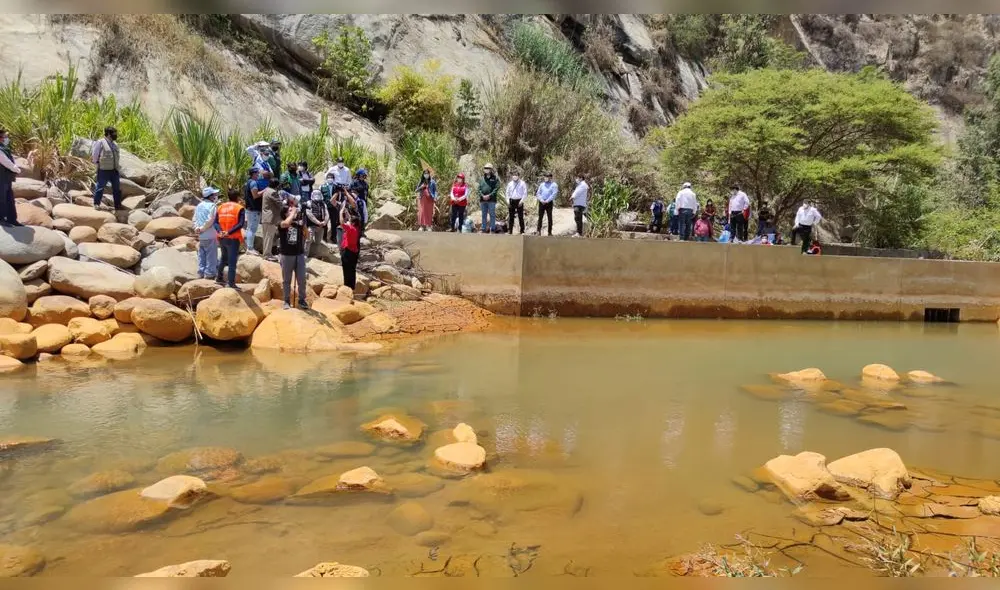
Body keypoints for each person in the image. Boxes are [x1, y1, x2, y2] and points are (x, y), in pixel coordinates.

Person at [276, 191, 308, 310]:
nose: (292, 211)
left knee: (301, 279)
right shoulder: (281, 224)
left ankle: (302, 299)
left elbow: (307, 236)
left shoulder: (298, 223)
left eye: (292, 210)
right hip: (286, 255)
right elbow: (285, 224)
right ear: (285, 213)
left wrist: (303, 223)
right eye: (289, 210)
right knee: (287, 280)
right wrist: (293, 212)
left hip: (299, 254)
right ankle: (286, 301)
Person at [215, 188, 245, 289]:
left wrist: (220, 231)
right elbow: (240, 224)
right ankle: (231, 283)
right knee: (232, 261)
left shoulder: (220, 207)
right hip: (233, 238)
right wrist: (229, 232)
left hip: (222, 237)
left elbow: (215, 223)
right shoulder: (239, 208)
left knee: (223, 258)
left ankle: (219, 278)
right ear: (237, 197)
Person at [91, 126, 123, 210]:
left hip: (114, 170)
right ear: (108, 134)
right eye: (114, 133)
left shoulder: (115, 144)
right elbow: (95, 154)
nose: (116, 135)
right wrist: (97, 164)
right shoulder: (100, 142)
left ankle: (117, 205)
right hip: (104, 170)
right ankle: (96, 204)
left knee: (117, 188)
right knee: (100, 187)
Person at [193, 186, 220, 279]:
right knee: (211, 255)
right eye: (214, 194)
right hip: (210, 234)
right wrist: (203, 228)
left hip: (201, 235)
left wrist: (197, 228)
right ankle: (209, 273)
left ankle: (201, 272)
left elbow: (195, 219)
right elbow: (211, 220)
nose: (216, 196)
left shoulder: (199, 206)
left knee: (202, 254)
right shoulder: (212, 206)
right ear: (211, 196)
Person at [0, 127, 21, 226]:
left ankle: (12, 219)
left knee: (9, 199)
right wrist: (17, 169)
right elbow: (6, 162)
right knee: (2, 199)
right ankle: (2, 219)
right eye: (4, 137)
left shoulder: (4, 149)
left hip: (6, 178)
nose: (6, 138)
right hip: (1, 178)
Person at [260, 178, 283, 260]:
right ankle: (267, 255)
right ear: (276, 185)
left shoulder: (266, 190)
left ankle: (266, 254)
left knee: (266, 236)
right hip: (271, 218)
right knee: (269, 237)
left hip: (265, 217)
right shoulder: (273, 192)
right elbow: (279, 204)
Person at [340, 205, 361, 291]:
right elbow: (350, 219)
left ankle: (347, 287)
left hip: (348, 252)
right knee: (352, 270)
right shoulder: (356, 228)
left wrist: (341, 213)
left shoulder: (350, 228)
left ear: (352, 223)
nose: (348, 221)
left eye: (350, 221)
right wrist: (346, 210)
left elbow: (341, 223)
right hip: (354, 252)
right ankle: (352, 287)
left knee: (346, 270)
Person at [243, 168, 263, 255]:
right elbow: (255, 195)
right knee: (252, 229)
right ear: (253, 174)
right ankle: (250, 248)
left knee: (249, 228)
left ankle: (248, 246)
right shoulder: (253, 183)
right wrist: (265, 190)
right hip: (254, 209)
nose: (258, 174)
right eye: (257, 173)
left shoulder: (248, 182)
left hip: (249, 208)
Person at [304, 189, 329, 255]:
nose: (317, 196)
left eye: (318, 194)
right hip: (311, 225)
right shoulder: (309, 203)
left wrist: (324, 222)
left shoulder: (323, 204)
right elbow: (309, 214)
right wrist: (318, 222)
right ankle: (305, 255)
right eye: (315, 194)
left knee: (318, 241)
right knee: (308, 240)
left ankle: (315, 254)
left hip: (321, 226)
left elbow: (327, 214)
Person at [478, 163, 500, 233]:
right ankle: (483, 229)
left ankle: (492, 229)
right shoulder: (481, 178)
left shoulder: (495, 178)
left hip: (491, 200)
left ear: (491, 169)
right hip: (483, 200)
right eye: (485, 168)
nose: (486, 169)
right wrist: (482, 196)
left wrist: (489, 195)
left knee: (492, 214)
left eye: (487, 168)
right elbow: (478, 189)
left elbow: (496, 188)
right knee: (484, 215)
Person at [536, 171, 557, 236]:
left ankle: (549, 232)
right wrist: (541, 200)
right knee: (540, 217)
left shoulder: (554, 185)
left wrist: (547, 200)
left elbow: (554, 194)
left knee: (549, 217)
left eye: (547, 177)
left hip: (549, 203)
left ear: (550, 178)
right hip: (541, 202)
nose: (546, 178)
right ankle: (538, 231)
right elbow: (538, 193)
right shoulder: (542, 184)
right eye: (545, 177)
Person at [351, 169, 369, 236]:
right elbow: (352, 192)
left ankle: (362, 231)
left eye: (364, 175)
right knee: (359, 216)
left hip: (364, 201)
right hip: (358, 201)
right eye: (363, 175)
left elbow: (366, 193)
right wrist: (356, 199)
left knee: (364, 216)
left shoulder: (365, 183)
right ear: (359, 175)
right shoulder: (355, 182)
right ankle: (358, 231)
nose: (364, 176)